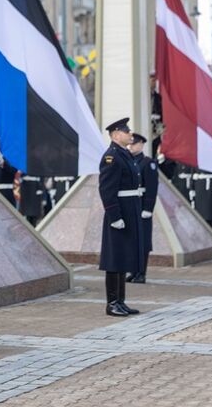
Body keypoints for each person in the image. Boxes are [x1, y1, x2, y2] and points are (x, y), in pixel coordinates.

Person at [98, 118, 144, 317]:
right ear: (116, 134)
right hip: (119, 213)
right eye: (126, 132)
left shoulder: (125, 154)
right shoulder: (111, 157)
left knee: (124, 256)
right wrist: (114, 215)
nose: (130, 134)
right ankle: (112, 302)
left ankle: (121, 301)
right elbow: (107, 190)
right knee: (114, 258)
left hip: (129, 210)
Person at [127, 133, 158, 284]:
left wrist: (148, 208)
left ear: (141, 145)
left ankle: (141, 273)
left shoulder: (148, 163)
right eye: (130, 144)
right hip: (132, 204)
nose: (131, 146)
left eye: (134, 144)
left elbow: (152, 187)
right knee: (132, 240)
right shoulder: (129, 161)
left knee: (143, 241)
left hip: (142, 204)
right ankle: (133, 271)